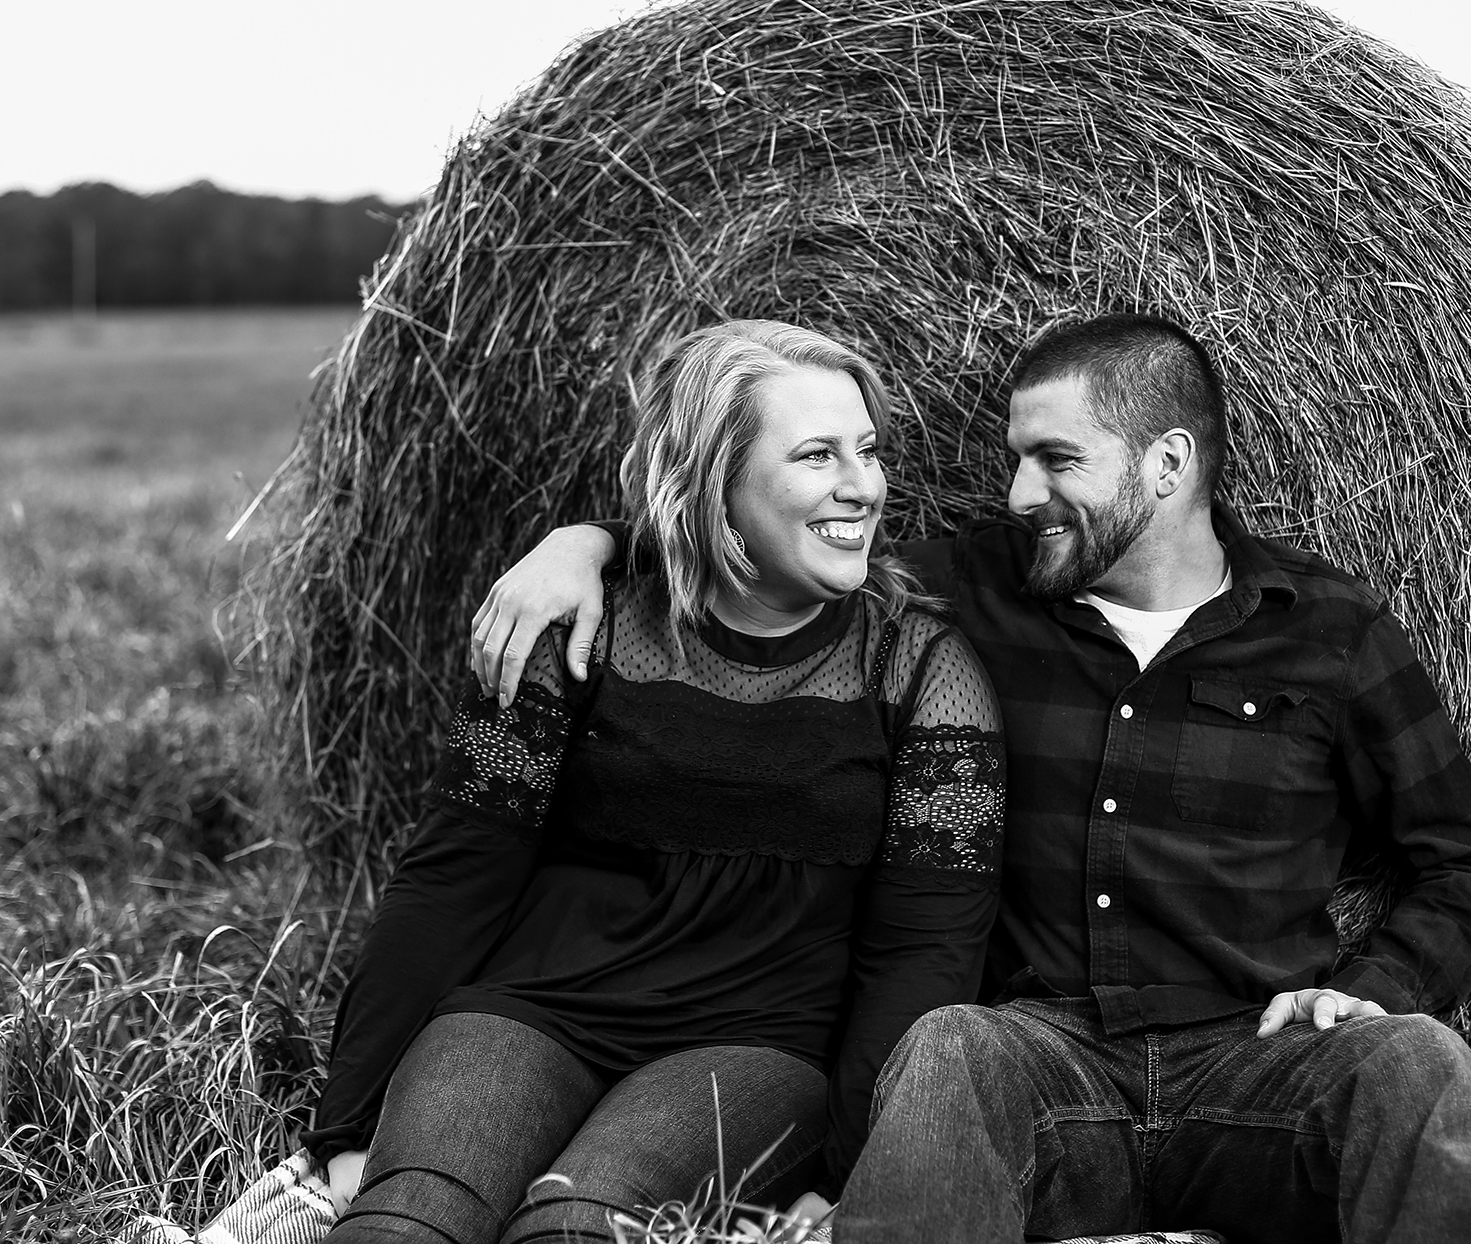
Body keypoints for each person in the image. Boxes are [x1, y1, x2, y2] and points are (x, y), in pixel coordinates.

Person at [470, 313, 1471, 1241]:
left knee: (1412, 1060)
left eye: (1055, 459)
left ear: (1166, 464)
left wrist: (1369, 992)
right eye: (1012, 457)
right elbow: (756, 543)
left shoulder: (1328, 633)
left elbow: (1463, 860)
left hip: (1259, 1058)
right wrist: (591, 545)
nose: (1015, 491)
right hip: (1035, 1058)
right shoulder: (962, 595)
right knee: (947, 1044)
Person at [308, 319, 1006, 1244]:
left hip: (756, 1048)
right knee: (405, 1221)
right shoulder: (579, 630)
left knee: (576, 1224)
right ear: (714, 486)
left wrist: (852, 1165)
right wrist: (347, 1122)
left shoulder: (923, 670)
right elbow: (453, 874)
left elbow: (926, 949)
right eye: (816, 455)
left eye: (867, 451)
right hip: (529, 1012)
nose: (863, 486)